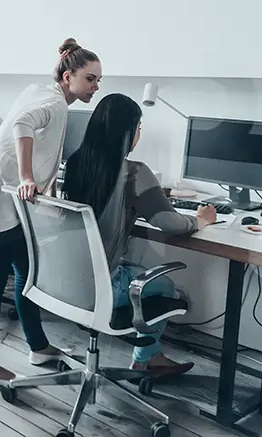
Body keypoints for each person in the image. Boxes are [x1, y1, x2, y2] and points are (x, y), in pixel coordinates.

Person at [0, 38, 102, 385]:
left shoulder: (44, 93)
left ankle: (38, 346)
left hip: (11, 200)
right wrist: (27, 177)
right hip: (4, 198)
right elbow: (22, 126)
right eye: (90, 79)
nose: (95, 86)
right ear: (68, 76)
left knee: (28, 278)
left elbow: (43, 149)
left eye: (99, 80)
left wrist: (45, 185)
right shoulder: (53, 103)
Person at [60, 93, 217, 378]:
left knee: (135, 271)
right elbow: (168, 222)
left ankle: (149, 356)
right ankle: (145, 358)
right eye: (139, 128)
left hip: (65, 281)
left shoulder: (75, 164)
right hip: (103, 286)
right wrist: (200, 220)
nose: (139, 135)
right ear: (127, 133)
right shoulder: (134, 172)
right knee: (166, 287)